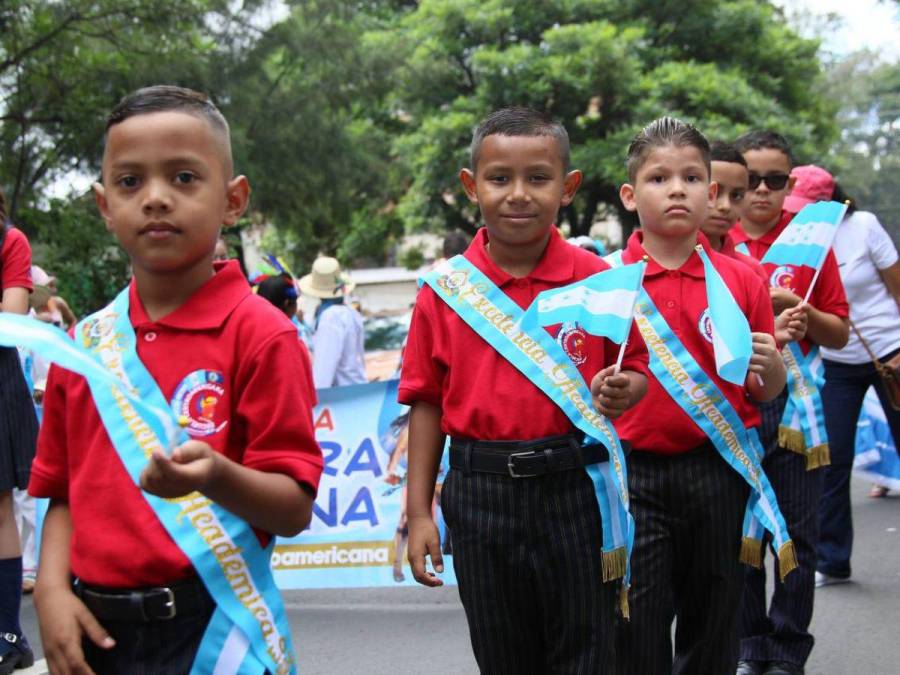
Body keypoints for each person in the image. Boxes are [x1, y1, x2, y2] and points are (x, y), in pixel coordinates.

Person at [27, 85, 323, 674]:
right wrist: (51, 592)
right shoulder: (83, 344)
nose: (156, 199)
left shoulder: (263, 335)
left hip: (213, 628)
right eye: (130, 182)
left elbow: (292, 508)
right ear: (104, 205)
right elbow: (60, 490)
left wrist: (215, 475)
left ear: (233, 200)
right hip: (94, 633)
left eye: (184, 178)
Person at [401, 107, 649, 673]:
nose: (518, 194)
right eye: (499, 178)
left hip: (577, 489)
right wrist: (419, 513)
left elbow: (634, 369)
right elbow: (425, 402)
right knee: (502, 652)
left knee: (589, 649)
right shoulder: (443, 291)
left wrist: (622, 390)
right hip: (479, 493)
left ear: (568, 188)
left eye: (538, 178)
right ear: (471, 186)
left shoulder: (597, 279)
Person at [610, 118, 787, 675]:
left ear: (711, 192)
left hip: (719, 471)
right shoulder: (606, 283)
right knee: (638, 621)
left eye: (691, 177)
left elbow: (764, 388)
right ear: (630, 194)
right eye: (659, 178)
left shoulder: (741, 282)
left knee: (714, 618)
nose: (677, 189)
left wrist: (775, 368)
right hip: (633, 477)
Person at [731, 132, 849, 675]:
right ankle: (749, 644)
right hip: (733, 407)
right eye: (749, 180)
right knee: (742, 535)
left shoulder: (810, 246)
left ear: (789, 185)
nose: (760, 191)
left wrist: (801, 311)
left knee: (796, 533)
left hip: (798, 412)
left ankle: (787, 647)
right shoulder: (717, 241)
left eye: (774, 180)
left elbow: (839, 332)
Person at [783, 168, 900, 585]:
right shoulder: (795, 242)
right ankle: (833, 560)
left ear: (835, 205)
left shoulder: (864, 227)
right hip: (836, 361)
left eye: (808, 209)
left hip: (890, 352)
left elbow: (897, 287)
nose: (799, 217)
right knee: (832, 460)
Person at [703, 142, 807, 347]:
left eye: (737, 195)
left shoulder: (750, 272)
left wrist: (774, 341)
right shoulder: (635, 265)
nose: (724, 206)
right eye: (713, 193)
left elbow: (759, 375)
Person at [0, 188, 40, 674]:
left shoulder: (10, 241)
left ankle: (9, 634)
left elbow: (10, 319)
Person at [299, 256, 366, 388]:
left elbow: (324, 369)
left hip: (342, 395)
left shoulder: (331, 316)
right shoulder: (349, 311)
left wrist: (317, 399)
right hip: (356, 389)